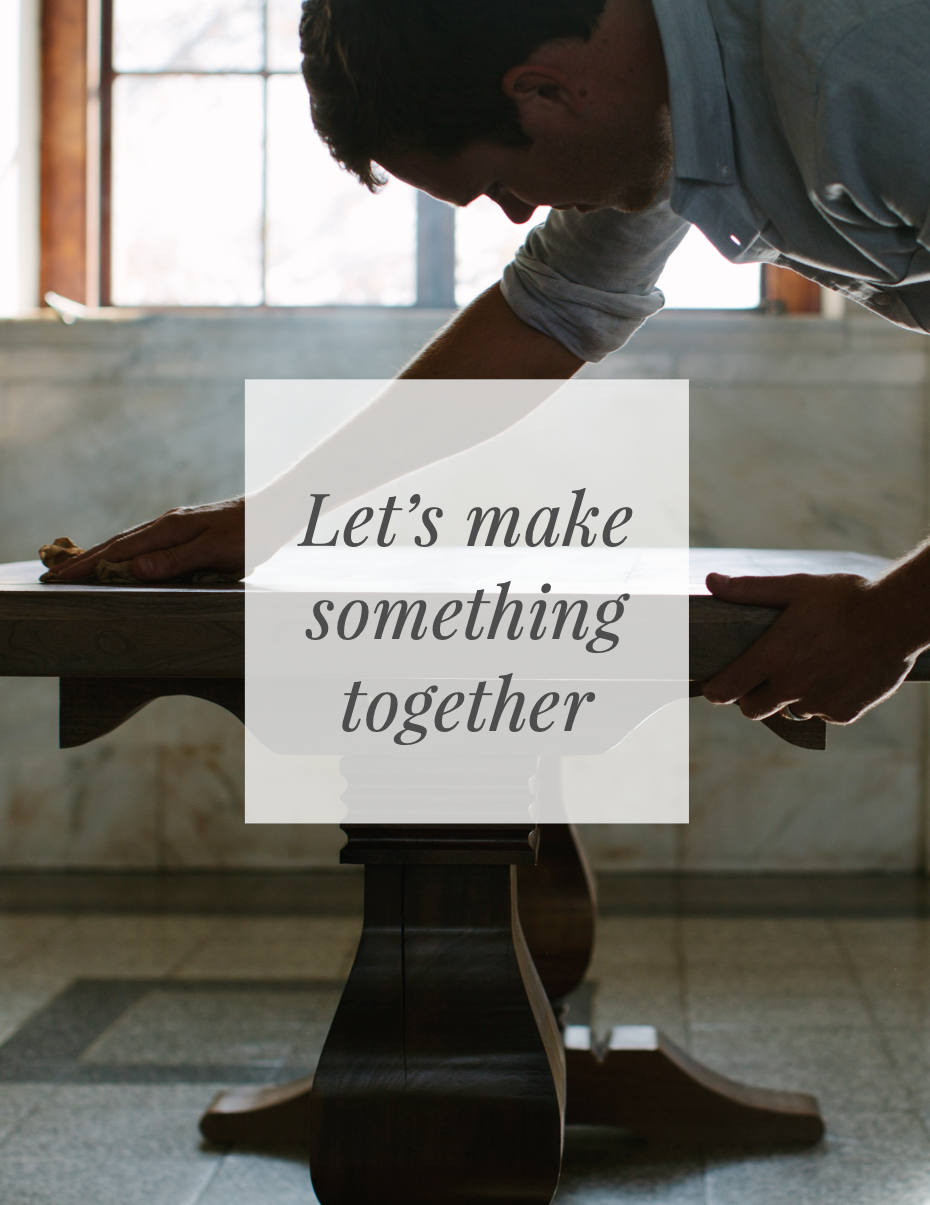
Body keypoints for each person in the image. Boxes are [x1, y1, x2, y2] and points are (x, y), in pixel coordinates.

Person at [56, 0, 930, 726]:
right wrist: (280, 511)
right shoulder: (663, 84)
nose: (520, 215)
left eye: (500, 185)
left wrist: (891, 618)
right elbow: (550, 309)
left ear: (546, 89)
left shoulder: (864, 64)